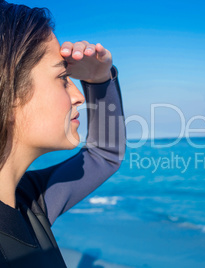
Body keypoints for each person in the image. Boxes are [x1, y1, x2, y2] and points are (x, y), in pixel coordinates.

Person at [0, 1, 126, 267]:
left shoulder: (29, 201)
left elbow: (105, 154)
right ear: (7, 93)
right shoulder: (33, 203)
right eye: (62, 78)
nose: (79, 96)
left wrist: (99, 79)